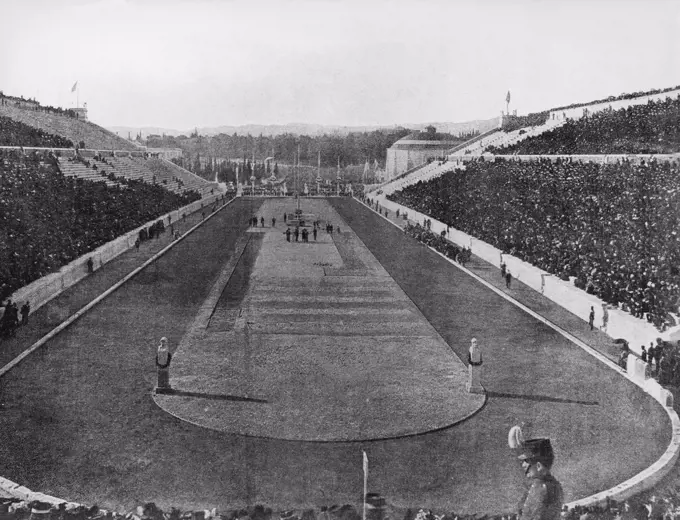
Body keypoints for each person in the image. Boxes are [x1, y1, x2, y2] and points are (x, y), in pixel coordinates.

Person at [516, 438, 563, 520]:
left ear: (539, 466)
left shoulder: (541, 488)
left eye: (527, 461)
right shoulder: (554, 484)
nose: (523, 465)